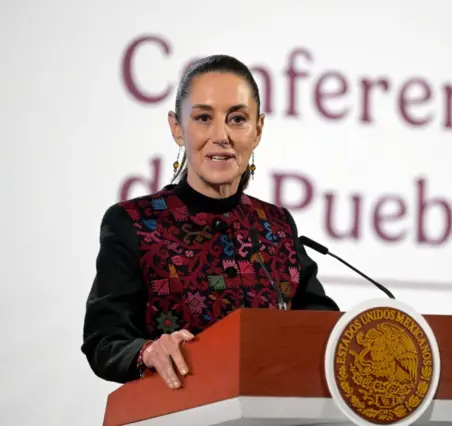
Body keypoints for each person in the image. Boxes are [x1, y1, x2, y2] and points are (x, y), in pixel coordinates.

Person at [81, 54, 340, 390]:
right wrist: (147, 352)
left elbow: (326, 331)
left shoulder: (276, 226)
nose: (221, 135)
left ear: (258, 129)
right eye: (203, 118)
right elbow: (104, 342)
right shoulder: (134, 223)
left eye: (237, 119)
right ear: (177, 128)